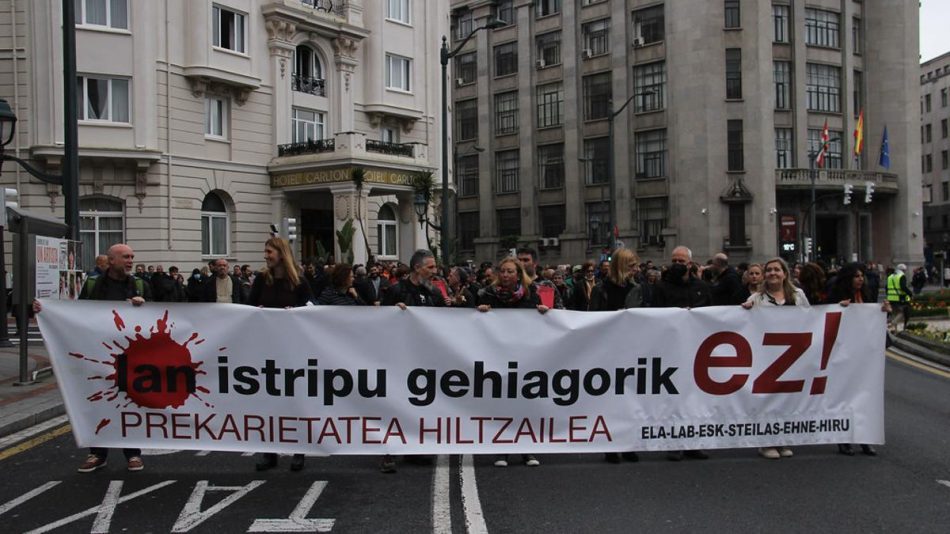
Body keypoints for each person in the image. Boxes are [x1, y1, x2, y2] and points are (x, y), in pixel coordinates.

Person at [34, 243, 150, 473]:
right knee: (99, 401)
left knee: (131, 403)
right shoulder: (94, 284)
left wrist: (143, 305)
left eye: (132, 257)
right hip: (99, 354)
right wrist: (45, 309)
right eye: (126, 257)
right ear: (112, 260)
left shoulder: (139, 284)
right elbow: (77, 312)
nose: (130, 260)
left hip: (130, 356)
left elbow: (157, 316)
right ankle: (98, 453)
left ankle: (133, 453)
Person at [247, 237, 314, 472]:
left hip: (292, 350)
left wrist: (295, 314)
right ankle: (269, 451)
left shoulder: (299, 282)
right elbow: (249, 308)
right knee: (268, 401)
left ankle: (299, 450)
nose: (266, 255)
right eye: (265, 251)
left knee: (295, 402)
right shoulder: (261, 280)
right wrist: (259, 313)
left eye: (269, 251)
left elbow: (311, 311)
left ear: (281, 253)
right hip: (267, 349)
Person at [476, 256, 548, 468]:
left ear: (518, 274)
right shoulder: (487, 294)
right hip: (498, 356)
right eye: (503, 271)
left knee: (525, 402)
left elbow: (542, 323)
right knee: (502, 403)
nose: (506, 275)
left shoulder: (530, 295)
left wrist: (543, 312)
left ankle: (526, 449)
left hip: (524, 356)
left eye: (510, 271)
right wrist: (480, 311)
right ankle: (503, 448)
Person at [380, 250, 444, 473]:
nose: (435, 272)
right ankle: (388, 451)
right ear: (417, 268)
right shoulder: (397, 290)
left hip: (424, 357)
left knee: (418, 402)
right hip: (399, 356)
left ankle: (414, 447)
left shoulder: (434, 292)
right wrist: (393, 313)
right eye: (431, 267)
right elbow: (380, 318)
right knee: (394, 402)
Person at [741, 257, 809, 460]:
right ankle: (766, 441)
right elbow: (743, 322)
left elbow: (812, 318)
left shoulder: (798, 295)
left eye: (777, 270)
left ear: (785, 273)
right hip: (765, 357)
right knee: (767, 400)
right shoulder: (757, 299)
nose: (772, 273)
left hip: (791, 356)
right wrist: (744, 310)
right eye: (769, 270)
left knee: (787, 399)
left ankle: (783, 438)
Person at [825, 262, 891, 457]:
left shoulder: (868, 296)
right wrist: (838, 307)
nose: (860, 279)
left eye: (862, 276)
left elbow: (875, 322)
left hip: (864, 356)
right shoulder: (837, 296)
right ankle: (844, 440)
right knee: (844, 396)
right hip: (844, 354)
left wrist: (885, 310)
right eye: (856, 276)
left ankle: (865, 439)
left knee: (865, 397)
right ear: (848, 279)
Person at [653, 246, 711, 461]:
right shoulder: (661, 287)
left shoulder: (702, 287)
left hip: (697, 350)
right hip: (672, 350)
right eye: (674, 260)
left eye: (681, 261)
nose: (677, 264)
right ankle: (673, 442)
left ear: (690, 264)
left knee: (694, 399)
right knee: (673, 399)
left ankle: (692, 442)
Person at [588, 248, 642, 464]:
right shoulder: (601, 289)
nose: (636, 270)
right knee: (609, 399)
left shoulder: (637, 289)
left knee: (628, 398)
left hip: (629, 348)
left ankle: (627, 443)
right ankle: (610, 444)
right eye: (632, 266)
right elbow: (593, 319)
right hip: (608, 349)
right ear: (622, 266)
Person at [886, 263, 912, 331]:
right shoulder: (901, 276)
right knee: (901, 313)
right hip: (898, 298)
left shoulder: (890, 276)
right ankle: (892, 323)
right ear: (903, 270)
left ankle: (894, 331)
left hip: (890, 298)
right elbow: (903, 287)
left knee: (894, 314)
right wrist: (909, 293)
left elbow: (886, 288)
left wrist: (889, 295)